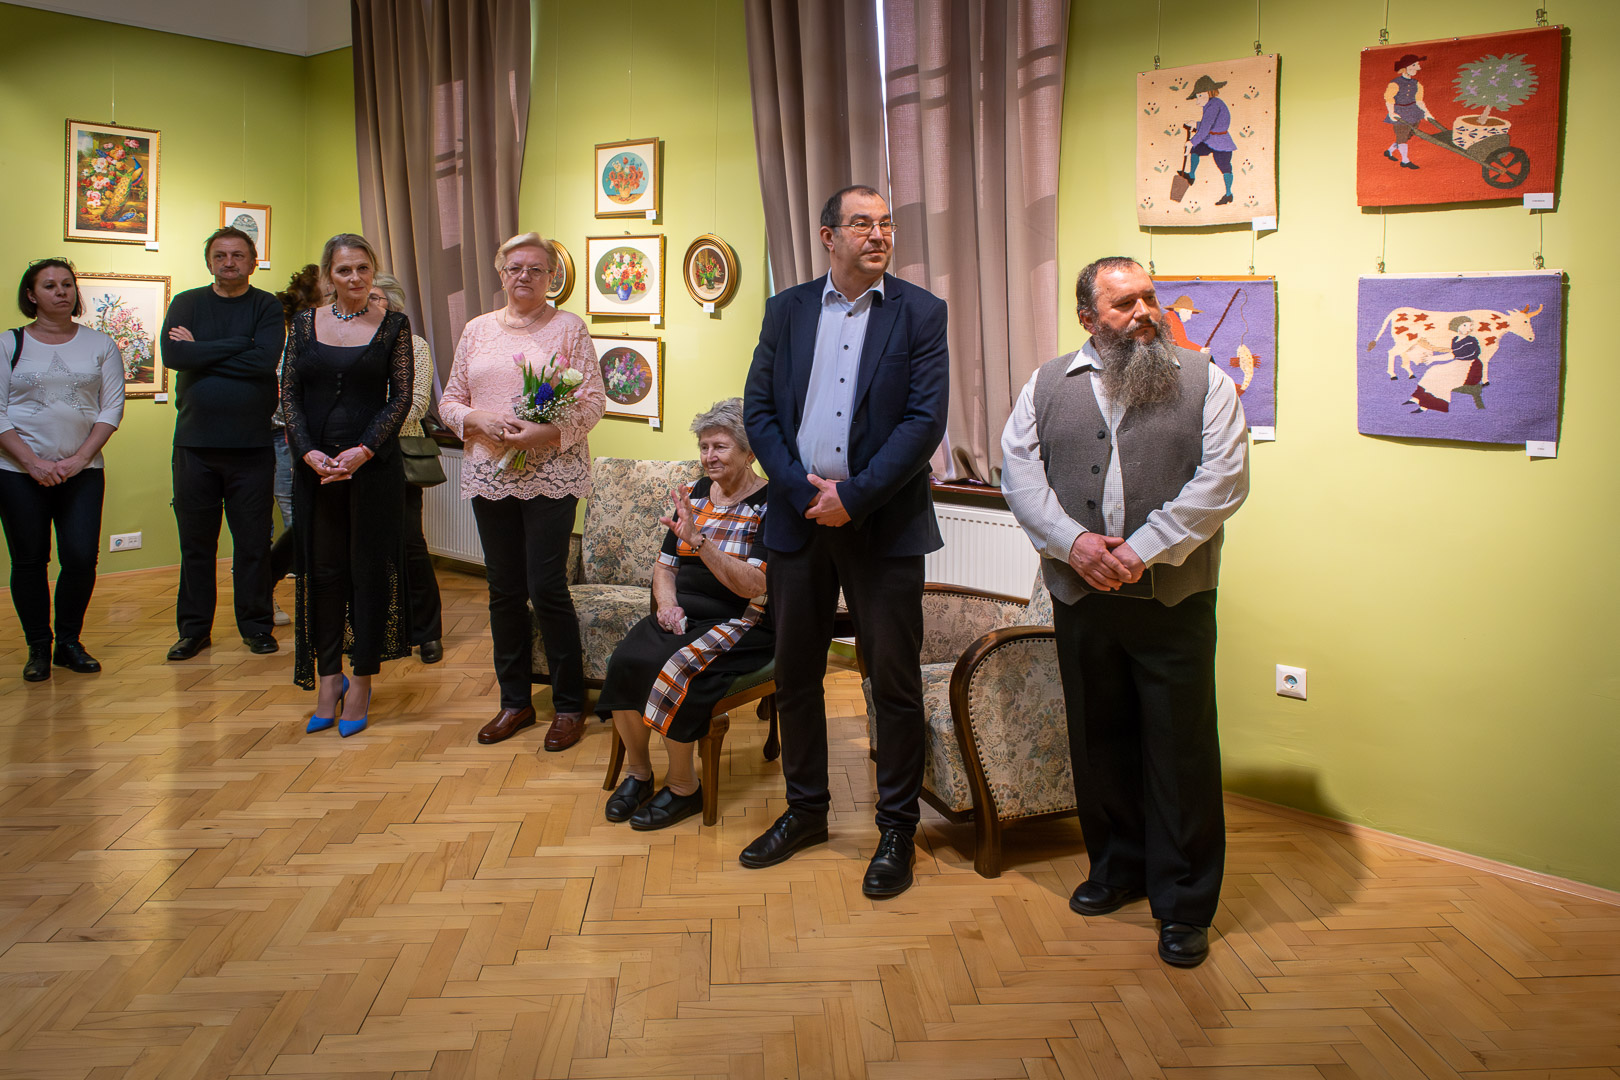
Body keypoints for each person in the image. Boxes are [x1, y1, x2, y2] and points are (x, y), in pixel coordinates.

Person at [1001, 256, 1249, 968]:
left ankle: (1184, 903)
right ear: (1088, 318)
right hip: (1081, 593)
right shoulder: (1046, 384)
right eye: (1124, 303)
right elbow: (1019, 474)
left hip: (1172, 599)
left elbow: (1224, 480)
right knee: (1098, 740)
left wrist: (1138, 551)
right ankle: (1116, 869)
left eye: (1149, 298)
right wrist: (1075, 545)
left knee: (1179, 752)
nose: (1144, 312)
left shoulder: (1206, 380)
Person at [740, 184, 949, 899]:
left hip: (883, 526)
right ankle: (805, 813)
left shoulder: (921, 312)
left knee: (891, 682)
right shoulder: (787, 309)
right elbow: (759, 410)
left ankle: (896, 830)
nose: (879, 234)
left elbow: (924, 422)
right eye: (862, 224)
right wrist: (802, 492)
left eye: (886, 223)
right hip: (797, 522)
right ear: (829, 236)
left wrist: (852, 498)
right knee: (796, 675)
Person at [439, 233, 605, 751]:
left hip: (552, 473)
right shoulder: (476, 329)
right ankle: (515, 702)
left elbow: (593, 401)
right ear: (502, 273)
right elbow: (450, 400)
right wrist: (476, 419)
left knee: (546, 587)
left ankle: (569, 705)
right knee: (503, 589)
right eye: (515, 268)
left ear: (552, 276)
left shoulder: (569, 328)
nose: (525, 276)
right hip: (490, 474)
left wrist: (546, 432)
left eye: (536, 268)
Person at [598, 399, 773, 830]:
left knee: (675, 670)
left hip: (743, 620)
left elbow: (755, 586)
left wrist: (700, 542)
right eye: (704, 447)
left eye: (720, 447)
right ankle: (639, 774)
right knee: (625, 660)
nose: (709, 456)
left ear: (749, 452)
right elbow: (665, 566)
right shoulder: (695, 493)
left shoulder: (770, 504)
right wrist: (667, 605)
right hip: (684, 613)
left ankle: (683, 787)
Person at [281, 233, 414, 736]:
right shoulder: (303, 324)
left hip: (372, 468)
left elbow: (401, 397)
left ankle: (361, 681)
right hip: (315, 471)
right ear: (327, 276)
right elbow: (289, 394)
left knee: (368, 573)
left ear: (373, 270)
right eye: (344, 270)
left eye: (362, 268)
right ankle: (328, 678)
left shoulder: (394, 325)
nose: (355, 278)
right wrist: (307, 452)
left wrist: (364, 450)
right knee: (323, 574)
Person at [161, 226, 285, 660]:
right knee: (196, 545)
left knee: (252, 544)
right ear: (209, 261)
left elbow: (264, 361)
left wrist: (203, 351)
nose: (228, 262)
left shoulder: (266, 305)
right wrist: (238, 346)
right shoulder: (187, 302)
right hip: (194, 445)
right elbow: (175, 356)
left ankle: (256, 626)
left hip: (252, 447)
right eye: (220, 255)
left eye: (237, 255)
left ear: (253, 261)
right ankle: (194, 631)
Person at [0, 259, 124, 681]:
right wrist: (32, 462)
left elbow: (111, 408)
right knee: (29, 560)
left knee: (81, 558)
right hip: (17, 473)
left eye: (67, 284)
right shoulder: (9, 343)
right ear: (31, 295)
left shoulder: (100, 344)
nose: (61, 292)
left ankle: (69, 642)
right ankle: (38, 646)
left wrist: (78, 459)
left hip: (82, 472)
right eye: (50, 285)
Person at [371, 272, 443, 663]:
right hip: (352, 460)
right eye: (364, 298)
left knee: (410, 544)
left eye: (377, 298)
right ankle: (380, 629)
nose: (369, 304)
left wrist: (364, 428)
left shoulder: (414, 345)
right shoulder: (346, 342)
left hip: (397, 457)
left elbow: (414, 404)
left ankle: (427, 632)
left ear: (393, 305)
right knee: (366, 548)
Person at [269, 263, 323, 624]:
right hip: (273, 435)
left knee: (299, 514)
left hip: (303, 436)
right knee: (274, 518)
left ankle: (311, 599)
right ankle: (264, 595)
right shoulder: (284, 336)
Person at [1407, 315, 1485, 413]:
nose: (1468, 328)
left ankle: (1426, 405)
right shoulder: (1455, 339)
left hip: (1471, 369)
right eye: (1464, 325)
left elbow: (1453, 354)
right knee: (1433, 370)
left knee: (1444, 379)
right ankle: (1418, 398)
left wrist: (1434, 358)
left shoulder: (1471, 341)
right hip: (1458, 364)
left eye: (1470, 325)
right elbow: (1453, 353)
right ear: (1457, 326)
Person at [1184, 76, 1236, 206]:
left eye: (1200, 96)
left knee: (1224, 166)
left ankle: (1228, 195)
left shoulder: (1213, 105)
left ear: (1209, 92)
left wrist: (1191, 142)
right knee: (1196, 150)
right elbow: (1211, 124)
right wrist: (1196, 124)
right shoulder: (1211, 104)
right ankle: (1191, 175)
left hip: (1221, 142)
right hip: (1211, 138)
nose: (1198, 101)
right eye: (1197, 97)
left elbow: (1206, 128)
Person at [1383, 55, 1436, 170]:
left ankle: (1389, 151)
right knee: (1402, 136)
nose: (1418, 68)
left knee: (1407, 136)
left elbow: (1419, 100)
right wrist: (1391, 113)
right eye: (1414, 65)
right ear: (1405, 67)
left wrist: (1427, 113)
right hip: (1400, 113)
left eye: (1417, 65)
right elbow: (1389, 98)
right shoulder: (1395, 83)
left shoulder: (1417, 84)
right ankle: (1405, 161)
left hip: (1414, 113)